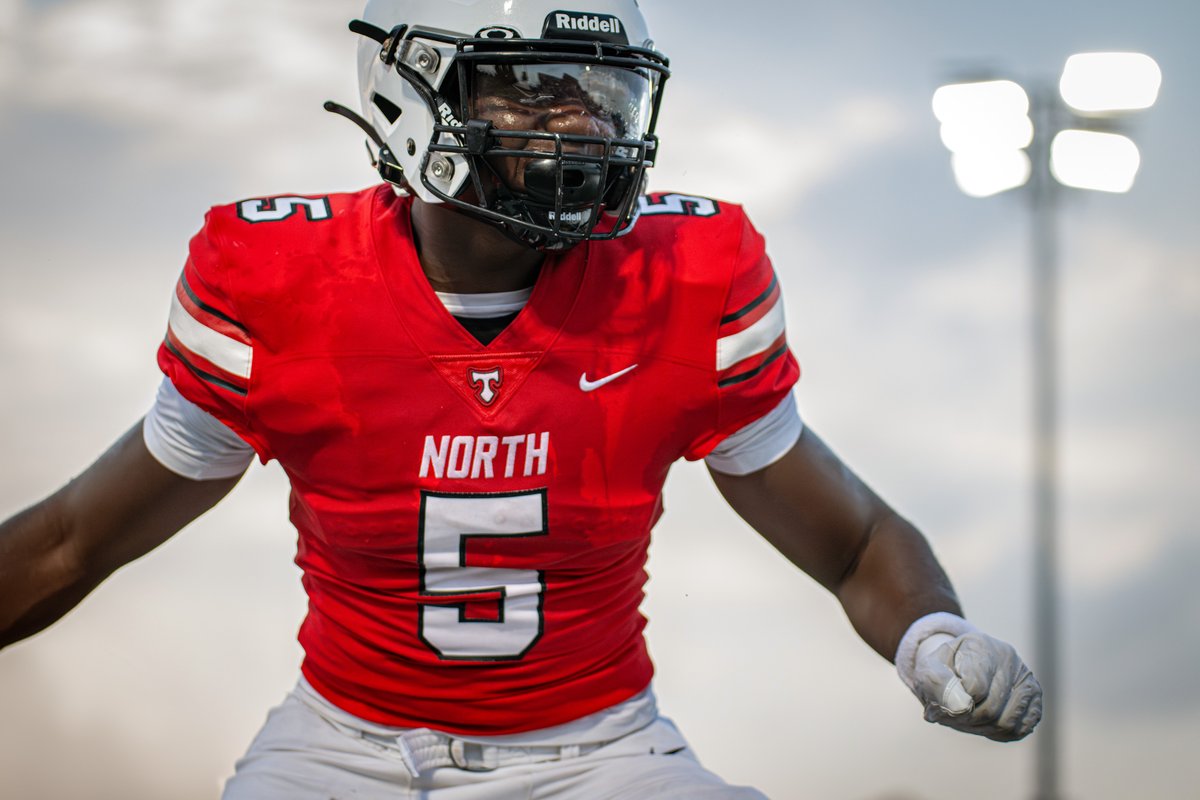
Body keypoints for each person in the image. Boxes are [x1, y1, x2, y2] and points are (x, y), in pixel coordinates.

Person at [0, 0, 1042, 797]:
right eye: (538, 87)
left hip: (601, 752)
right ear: (413, 97)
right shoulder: (279, 284)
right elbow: (72, 541)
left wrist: (932, 635)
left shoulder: (683, 279)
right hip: (340, 748)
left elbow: (854, 543)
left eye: (602, 92)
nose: (582, 123)